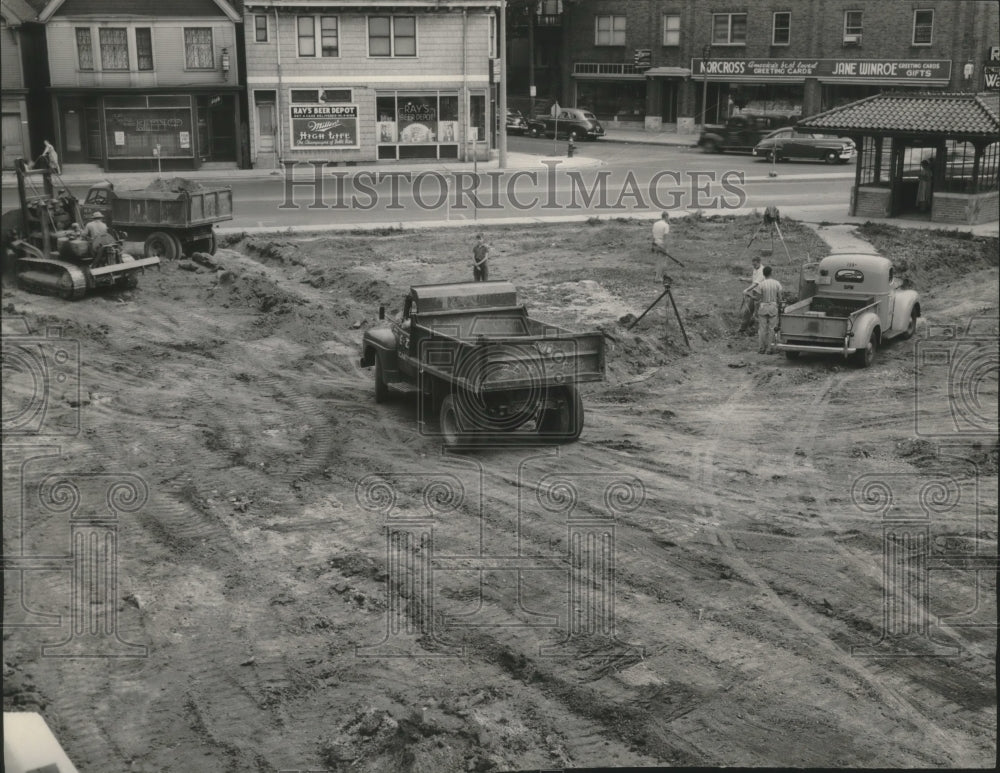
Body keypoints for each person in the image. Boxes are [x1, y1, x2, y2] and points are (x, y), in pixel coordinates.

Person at [750, 265, 783, 354]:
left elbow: (757, 299)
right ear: (771, 273)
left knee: (762, 329)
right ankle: (769, 349)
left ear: (764, 274)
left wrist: (750, 295)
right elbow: (780, 299)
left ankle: (761, 349)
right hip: (773, 307)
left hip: (763, 307)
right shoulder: (777, 283)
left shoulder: (761, 284)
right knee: (772, 328)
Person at [739, 256, 765, 332]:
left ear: (759, 262)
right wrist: (743, 279)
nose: (754, 266)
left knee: (757, 313)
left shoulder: (762, 271)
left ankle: (755, 331)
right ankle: (742, 328)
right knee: (748, 311)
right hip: (754, 292)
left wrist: (747, 290)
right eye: (753, 265)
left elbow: (756, 283)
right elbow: (753, 280)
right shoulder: (755, 269)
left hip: (760, 294)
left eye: (755, 264)